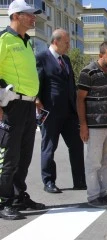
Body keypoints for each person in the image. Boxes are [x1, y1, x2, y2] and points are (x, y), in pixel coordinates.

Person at [0, 0, 45, 220]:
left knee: (24, 156)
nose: (33, 17)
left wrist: (35, 99)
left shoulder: (27, 42)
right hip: (11, 106)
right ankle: (3, 202)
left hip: (28, 105)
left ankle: (18, 197)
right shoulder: (4, 40)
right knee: (8, 156)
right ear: (16, 16)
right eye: (29, 14)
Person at [36, 28, 86, 194]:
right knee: (49, 147)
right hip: (51, 112)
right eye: (66, 42)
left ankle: (80, 181)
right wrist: (37, 100)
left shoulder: (67, 60)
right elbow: (37, 82)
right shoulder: (41, 58)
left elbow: (70, 84)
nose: (69, 46)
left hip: (70, 112)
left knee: (77, 146)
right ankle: (49, 181)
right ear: (56, 42)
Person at [77, 41, 107, 208]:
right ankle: (93, 196)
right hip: (94, 126)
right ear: (100, 55)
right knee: (94, 162)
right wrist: (83, 125)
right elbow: (80, 99)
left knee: (106, 162)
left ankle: (103, 193)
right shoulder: (88, 72)